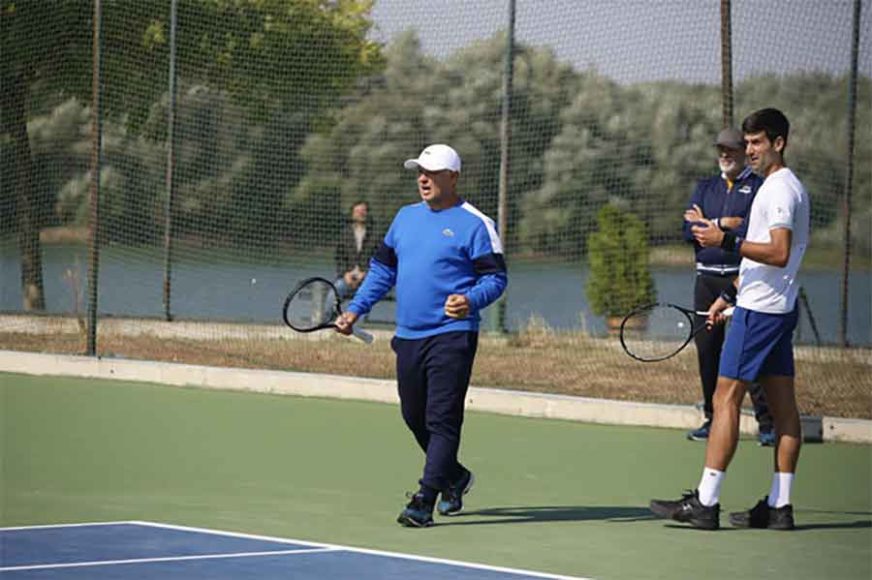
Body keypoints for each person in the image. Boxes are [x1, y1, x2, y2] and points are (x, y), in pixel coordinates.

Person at [650, 108, 810, 530]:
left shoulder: (777, 192)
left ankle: (706, 502)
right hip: (771, 307)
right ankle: (780, 506)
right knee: (783, 408)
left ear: (779, 143)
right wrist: (728, 294)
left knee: (725, 399)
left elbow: (777, 252)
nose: (751, 150)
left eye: (758, 143)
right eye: (748, 142)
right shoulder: (786, 187)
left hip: (761, 314)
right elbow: (769, 262)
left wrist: (727, 240)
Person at [335, 144, 508, 527]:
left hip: (453, 335)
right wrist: (355, 309)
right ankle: (455, 477)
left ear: (453, 177)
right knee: (414, 416)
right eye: (419, 172)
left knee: (442, 419)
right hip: (408, 335)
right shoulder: (405, 217)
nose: (422, 179)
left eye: (431, 172)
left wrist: (470, 299)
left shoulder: (476, 224)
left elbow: (496, 278)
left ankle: (423, 500)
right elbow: (381, 271)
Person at [682, 128, 775, 446]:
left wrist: (714, 225)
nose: (724, 155)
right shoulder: (705, 187)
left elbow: (753, 229)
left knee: (747, 352)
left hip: (742, 280)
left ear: (743, 152)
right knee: (707, 351)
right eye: (720, 149)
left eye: (730, 150)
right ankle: (712, 417)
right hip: (705, 280)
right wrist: (725, 223)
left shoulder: (759, 187)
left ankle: (767, 423)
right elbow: (687, 228)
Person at [334, 200, 379, 301]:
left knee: (365, 294)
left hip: (367, 277)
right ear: (352, 214)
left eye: (363, 211)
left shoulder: (375, 235)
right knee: (337, 289)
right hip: (348, 276)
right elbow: (339, 258)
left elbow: (378, 259)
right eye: (358, 211)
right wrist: (345, 274)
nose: (361, 214)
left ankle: (357, 317)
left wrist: (366, 273)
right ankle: (329, 317)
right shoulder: (345, 234)